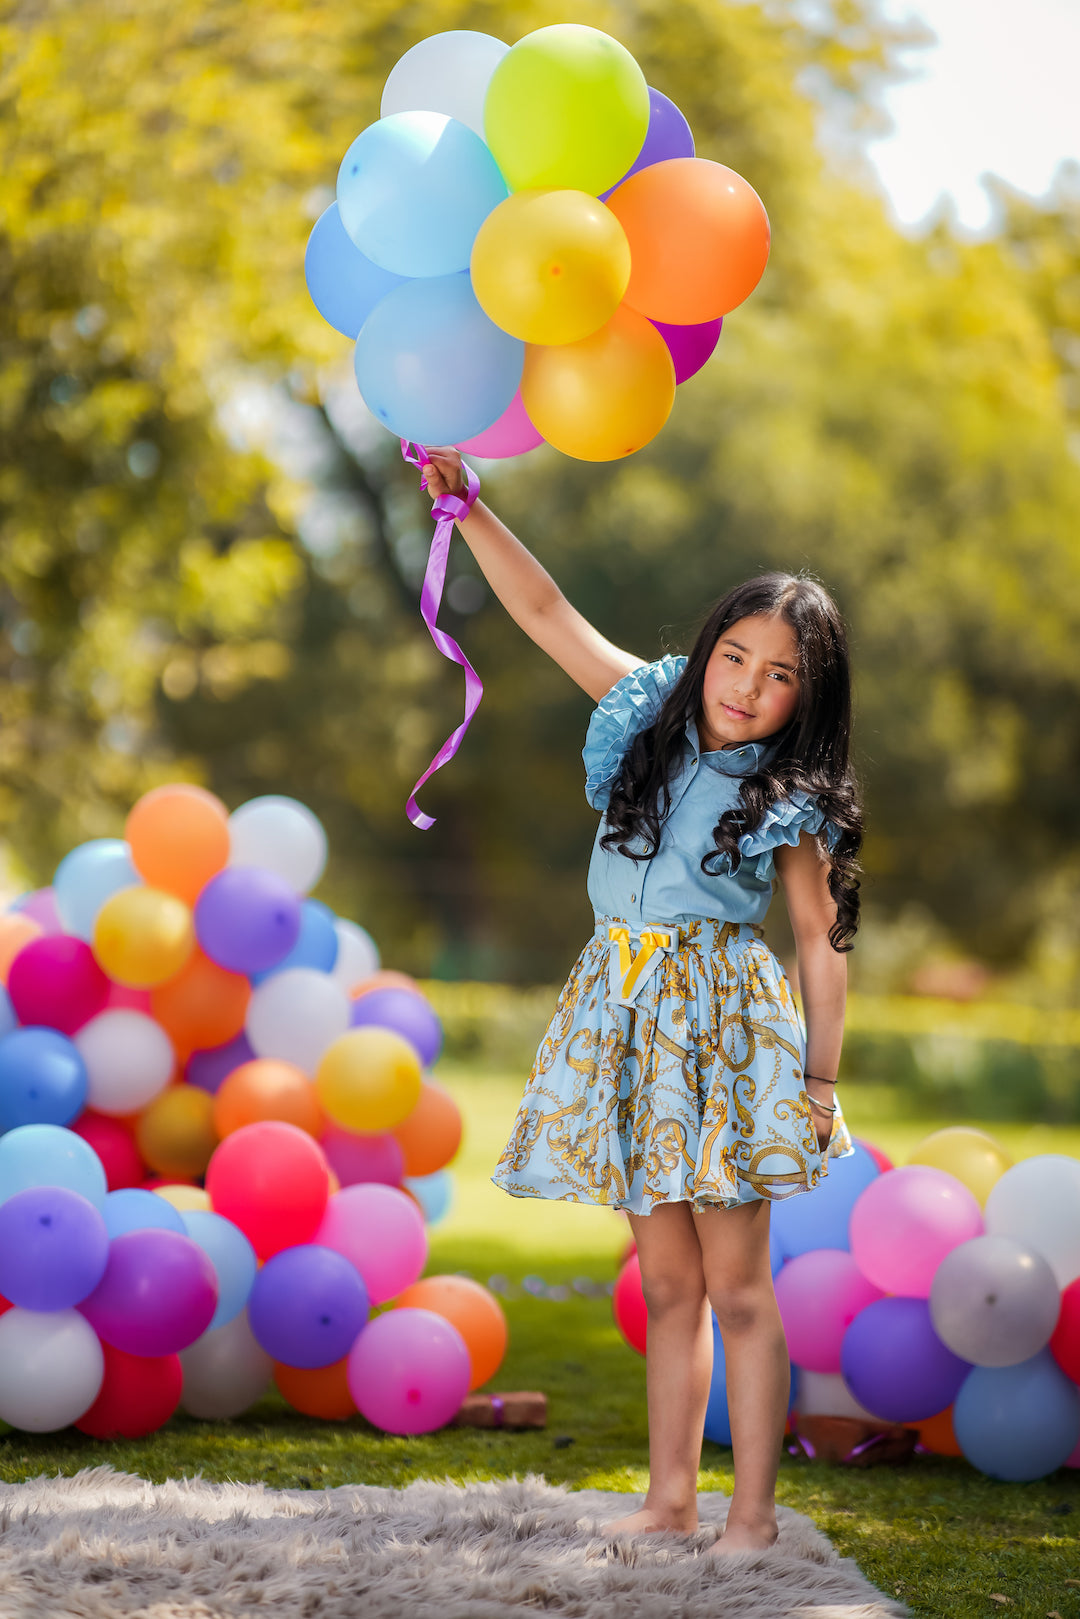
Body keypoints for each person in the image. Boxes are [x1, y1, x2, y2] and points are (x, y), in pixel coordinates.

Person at [421, 448, 863, 1555]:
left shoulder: (789, 799)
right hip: (621, 1010)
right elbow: (542, 606)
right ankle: (670, 1500)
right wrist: (469, 506)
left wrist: (817, 1076)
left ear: (806, 698)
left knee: (738, 1285)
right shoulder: (648, 712)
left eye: (779, 676)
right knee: (666, 1280)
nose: (747, 685)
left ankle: (751, 1518)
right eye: (737, 655)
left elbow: (818, 937)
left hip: (720, 1027)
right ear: (709, 648)